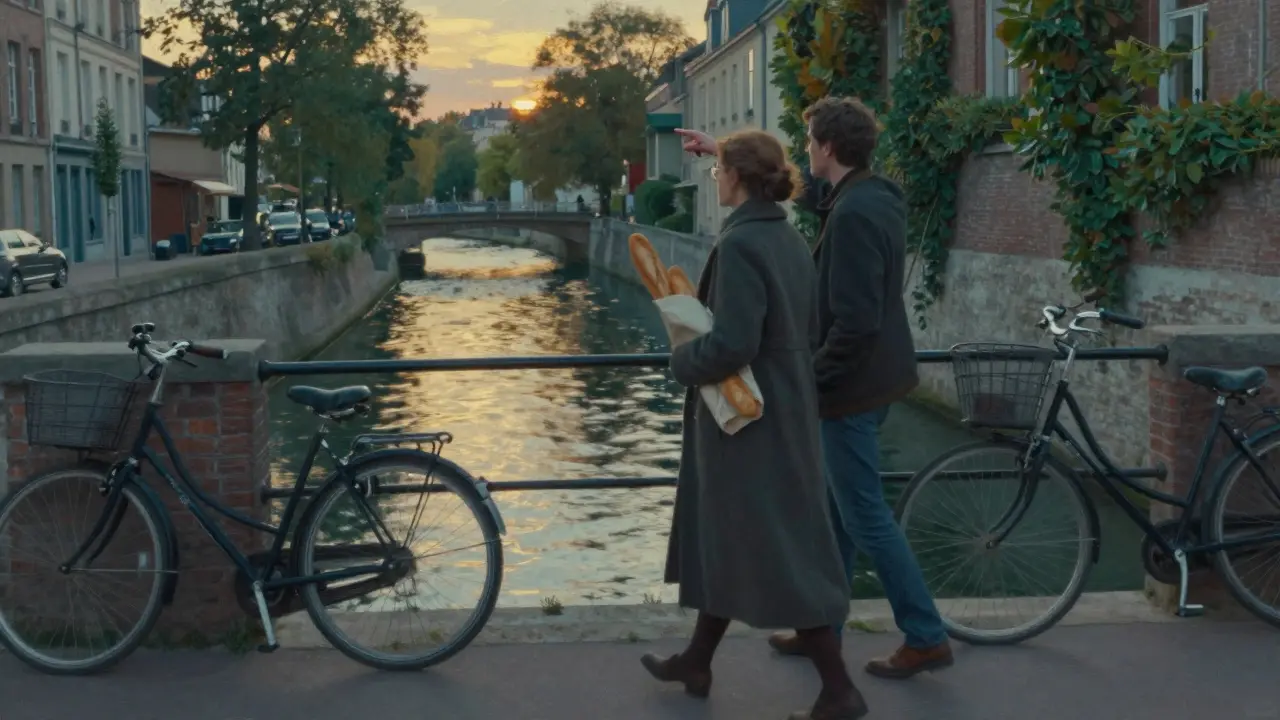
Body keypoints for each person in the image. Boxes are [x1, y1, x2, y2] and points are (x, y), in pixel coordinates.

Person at [674, 96, 954, 681]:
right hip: (877, 377)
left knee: (864, 517)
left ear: (827, 147)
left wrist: (806, 381)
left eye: (808, 142)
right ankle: (821, 628)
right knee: (830, 517)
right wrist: (724, 152)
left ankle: (925, 635)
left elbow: (855, 323)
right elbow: (795, 194)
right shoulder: (868, 197)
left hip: (851, 388)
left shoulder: (852, 215)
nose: (804, 153)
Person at [642, 129, 868, 720]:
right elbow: (805, 328)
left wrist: (683, 362)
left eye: (719, 170)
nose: (715, 179)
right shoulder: (787, 237)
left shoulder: (742, 244)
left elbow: (735, 342)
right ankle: (696, 661)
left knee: (777, 546)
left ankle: (839, 691)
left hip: (750, 423)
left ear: (738, 177)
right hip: (786, 406)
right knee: (740, 536)